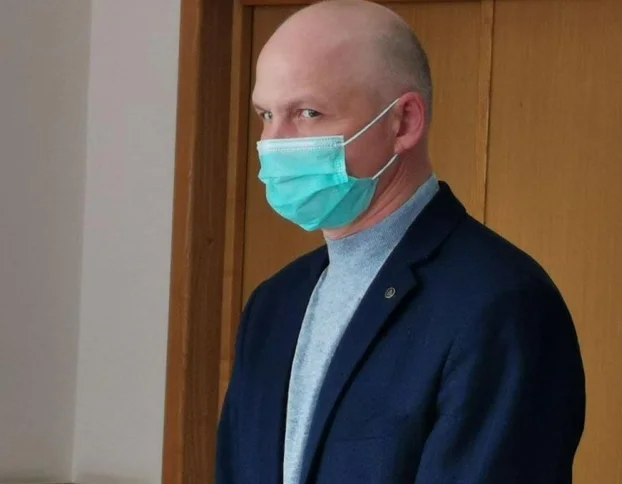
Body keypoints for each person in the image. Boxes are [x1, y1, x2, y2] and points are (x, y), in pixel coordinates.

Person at [216, 1, 586, 482]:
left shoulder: (500, 304)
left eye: (308, 113)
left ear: (405, 122)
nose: (276, 142)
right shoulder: (273, 305)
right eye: (266, 114)